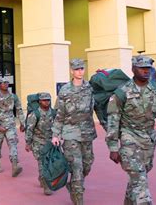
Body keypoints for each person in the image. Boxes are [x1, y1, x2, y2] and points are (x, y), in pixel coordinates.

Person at [106, 55, 156, 205]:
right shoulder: (122, 92)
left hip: (149, 138)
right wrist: (113, 147)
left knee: (139, 175)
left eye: (148, 68)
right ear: (133, 69)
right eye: (142, 68)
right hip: (129, 137)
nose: (146, 71)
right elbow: (113, 120)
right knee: (139, 178)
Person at [51, 58, 97, 205]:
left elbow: (98, 107)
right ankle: (78, 199)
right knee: (77, 168)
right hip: (70, 133)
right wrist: (56, 134)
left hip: (87, 132)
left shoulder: (90, 88)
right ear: (71, 71)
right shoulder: (65, 91)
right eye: (76, 69)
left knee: (87, 164)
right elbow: (59, 114)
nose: (79, 72)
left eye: (82, 69)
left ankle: (73, 185)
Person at [0, 77, 25, 177]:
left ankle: (14, 165)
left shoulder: (13, 97)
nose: (5, 84)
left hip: (10, 125)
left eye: (6, 82)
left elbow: (19, 110)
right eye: (2, 83)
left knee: (13, 144)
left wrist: (22, 123)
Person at [25, 92, 55, 196]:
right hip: (38, 142)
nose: (46, 102)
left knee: (50, 163)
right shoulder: (35, 114)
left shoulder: (54, 113)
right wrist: (28, 143)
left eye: (48, 100)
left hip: (51, 143)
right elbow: (29, 130)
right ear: (39, 102)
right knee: (42, 163)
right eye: (44, 100)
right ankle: (46, 185)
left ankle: (42, 178)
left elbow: (59, 126)